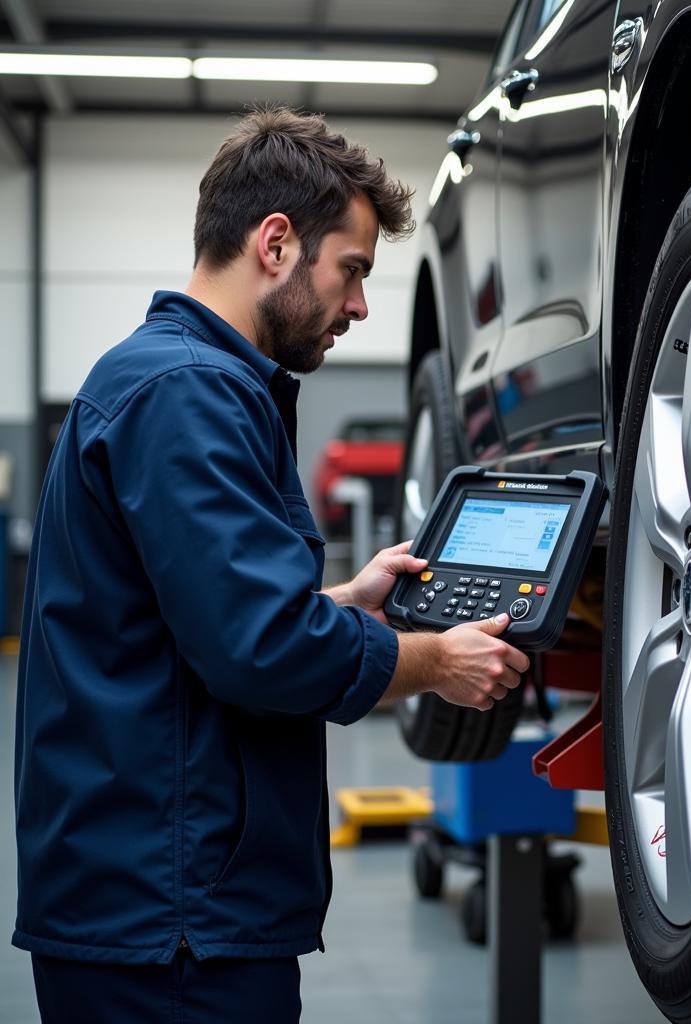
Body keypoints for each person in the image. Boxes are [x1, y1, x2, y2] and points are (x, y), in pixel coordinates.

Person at [13, 106, 529, 1024]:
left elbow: (181, 622)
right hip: (172, 926)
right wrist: (436, 662)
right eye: (354, 271)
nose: (361, 307)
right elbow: (261, 648)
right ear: (278, 243)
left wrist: (341, 598)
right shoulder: (188, 393)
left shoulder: (163, 379)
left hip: (153, 901)